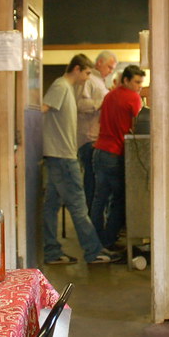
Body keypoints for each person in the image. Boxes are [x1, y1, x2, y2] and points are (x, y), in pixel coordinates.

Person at [40, 53, 120, 265]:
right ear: (76, 69)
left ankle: (52, 251)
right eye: (86, 72)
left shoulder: (66, 88)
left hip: (60, 153)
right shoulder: (60, 86)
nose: (87, 77)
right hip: (63, 156)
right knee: (78, 206)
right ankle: (93, 251)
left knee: (51, 205)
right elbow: (42, 110)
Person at [90, 64, 146, 248]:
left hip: (99, 151)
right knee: (120, 200)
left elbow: (101, 121)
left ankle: (94, 240)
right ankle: (109, 240)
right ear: (126, 80)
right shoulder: (134, 98)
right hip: (116, 153)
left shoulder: (109, 96)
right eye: (137, 82)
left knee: (99, 199)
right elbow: (137, 127)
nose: (139, 86)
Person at [75, 50, 116, 212]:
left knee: (99, 185)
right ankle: (91, 223)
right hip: (88, 139)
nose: (111, 71)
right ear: (99, 63)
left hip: (97, 139)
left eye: (113, 68)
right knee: (92, 184)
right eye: (109, 67)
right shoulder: (89, 80)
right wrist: (103, 101)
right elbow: (80, 104)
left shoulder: (101, 82)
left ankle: (95, 221)